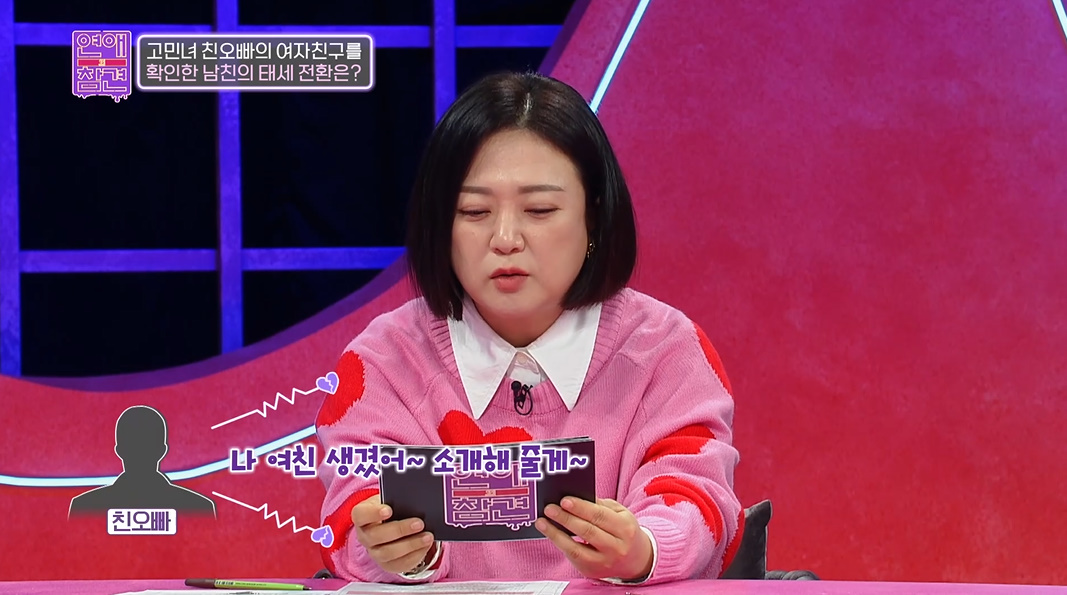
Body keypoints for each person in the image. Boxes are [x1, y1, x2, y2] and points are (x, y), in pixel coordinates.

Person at [315, 71, 740, 585]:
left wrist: (642, 550)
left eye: (539, 210)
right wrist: (396, 553)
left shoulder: (666, 351)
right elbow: (351, 512)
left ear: (594, 217)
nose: (505, 238)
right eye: (474, 211)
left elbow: (697, 497)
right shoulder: (383, 362)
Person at [69, 405, 216, 517]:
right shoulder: (197, 506)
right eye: (135, 445)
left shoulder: (86, 506)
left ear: (119, 450)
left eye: (145, 445)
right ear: (162, 450)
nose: (140, 452)